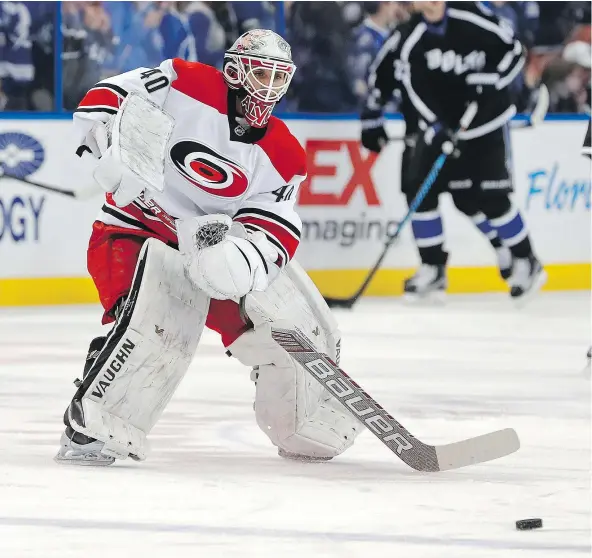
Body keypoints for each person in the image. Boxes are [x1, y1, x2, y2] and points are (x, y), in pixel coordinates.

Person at [54, 29, 360, 466]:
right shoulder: (186, 82)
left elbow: (275, 229)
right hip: (131, 232)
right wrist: (104, 147)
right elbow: (110, 96)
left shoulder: (285, 155)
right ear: (234, 70)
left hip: (203, 250)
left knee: (279, 331)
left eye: (279, 78)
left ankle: (303, 422)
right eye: (260, 73)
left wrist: (240, 261)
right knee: (148, 321)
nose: (269, 87)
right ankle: (92, 426)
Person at [361, 1, 546, 299]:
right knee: (423, 191)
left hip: (486, 124)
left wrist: (494, 78)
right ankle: (433, 269)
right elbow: (411, 86)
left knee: (491, 196)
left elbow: (512, 50)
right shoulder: (411, 37)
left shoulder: (472, 17)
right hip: (447, 127)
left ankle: (525, 258)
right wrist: (435, 126)